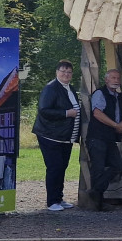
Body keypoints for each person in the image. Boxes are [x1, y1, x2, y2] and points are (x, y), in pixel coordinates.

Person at [32, 59, 80, 212]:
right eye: (63, 71)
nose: (66, 74)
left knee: (62, 167)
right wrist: (66, 113)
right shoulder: (51, 88)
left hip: (65, 137)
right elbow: (44, 110)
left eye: (69, 72)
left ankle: (59, 198)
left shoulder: (69, 88)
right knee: (54, 167)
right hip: (50, 135)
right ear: (57, 72)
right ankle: (52, 201)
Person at [86, 69, 122, 211]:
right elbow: (97, 113)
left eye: (118, 78)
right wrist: (116, 125)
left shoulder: (119, 96)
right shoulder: (100, 93)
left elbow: (121, 114)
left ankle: (95, 191)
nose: (116, 80)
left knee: (117, 166)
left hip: (109, 138)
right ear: (106, 80)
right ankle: (98, 203)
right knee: (98, 169)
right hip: (97, 136)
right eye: (113, 77)